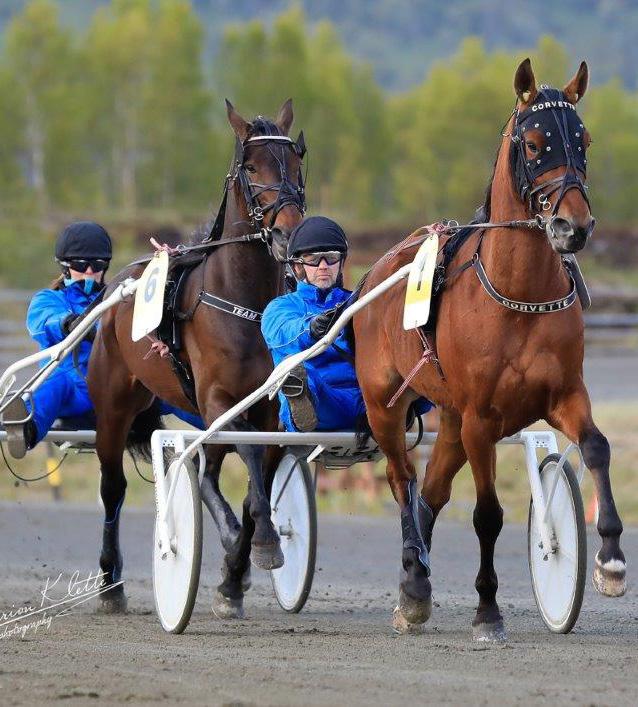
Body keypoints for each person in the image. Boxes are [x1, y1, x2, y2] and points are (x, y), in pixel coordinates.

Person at [3, 221, 203, 459]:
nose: (89, 271)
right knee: (55, 386)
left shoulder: (119, 297)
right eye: (81, 264)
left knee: (168, 387)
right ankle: (25, 428)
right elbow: (45, 321)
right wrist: (69, 323)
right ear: (65, 267)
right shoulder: (49, 299)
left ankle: (225, 424)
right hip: (79, 395)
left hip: (123, 394)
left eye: (96, 264)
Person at [262, 216, 433, 433]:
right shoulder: (281, 307)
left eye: (331, 258)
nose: (323, 266)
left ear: (341, 262)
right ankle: (301, 398)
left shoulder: (360, 302)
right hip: (323, 400)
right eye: (314, 259)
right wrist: (312, 328)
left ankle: (420, 395)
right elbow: (283, 333)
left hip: (370, 399)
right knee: (301, 376)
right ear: (297, 267)